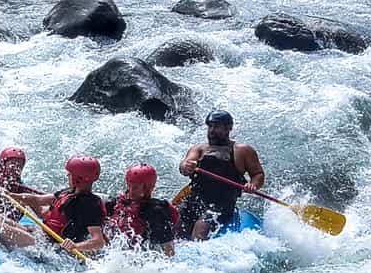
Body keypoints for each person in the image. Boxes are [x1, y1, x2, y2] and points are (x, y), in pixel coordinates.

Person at [177, 110, 266, 240]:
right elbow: (185, 165)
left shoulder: (242, 151)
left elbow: (258, 174)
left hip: (223, 204)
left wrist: (253, 185)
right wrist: (185, 166)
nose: (212, 131)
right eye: (210, 126)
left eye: (216, 126)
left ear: (228, 128)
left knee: (201, 228)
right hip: (195, 199)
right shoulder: (199, 149)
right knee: (174, 227)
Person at [15, 155, 109, 255]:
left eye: (70, 174)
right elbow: (38, 200)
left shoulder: (90, 206)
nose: (67, 176)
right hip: (42, 236)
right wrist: (11, 195)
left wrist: (75, 246)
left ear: (78, 178)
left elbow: (99, 241)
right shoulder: (69, 192)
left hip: (52, 248)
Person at [105, 164, 176, 256]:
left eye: (135, 187)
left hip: (145, 254)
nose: (130, 191)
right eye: (129, 186)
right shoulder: (117, 203)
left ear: (147, 188)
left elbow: (169, 251)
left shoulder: (155, 211)